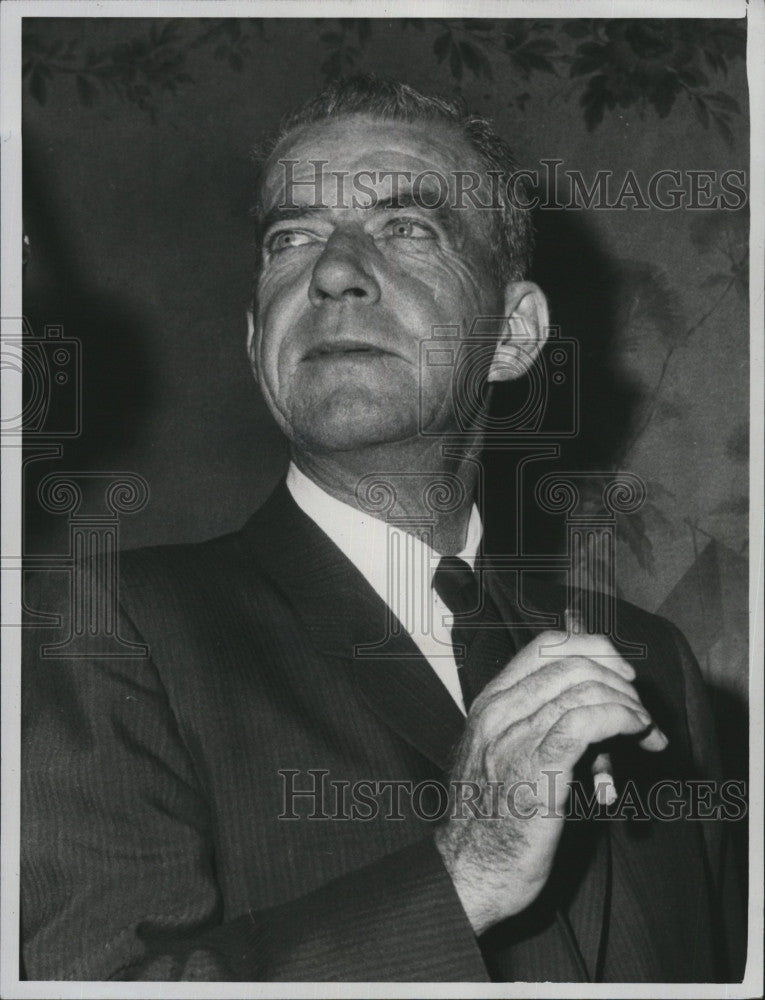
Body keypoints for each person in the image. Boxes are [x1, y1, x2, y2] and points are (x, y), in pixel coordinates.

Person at [21, 75, 744, 983]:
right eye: (290, 239)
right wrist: (462, 875)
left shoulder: (651, 662)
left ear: (515, 334)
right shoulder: (103, 625)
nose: (330, 270)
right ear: (257, 344)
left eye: (408, 228)